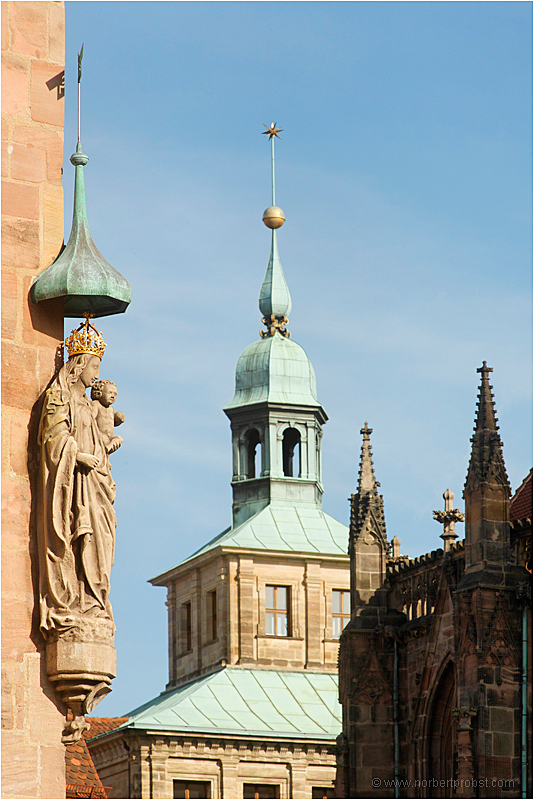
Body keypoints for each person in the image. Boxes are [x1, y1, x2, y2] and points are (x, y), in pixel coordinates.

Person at [37, 351, 117, 638]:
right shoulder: (61, 397)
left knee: (103, 538)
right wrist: (79, 456)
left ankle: (96, 602)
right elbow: (54, 438)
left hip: (98, 484)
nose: (96, 374)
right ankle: (79, 600)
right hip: (77, 483)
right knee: (82, 535)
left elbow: (100, 439)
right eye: (94, 367)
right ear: (79, 365)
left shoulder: (90, 404)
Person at [91, 379, 125, 455]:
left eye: (115, 394)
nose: (113, 396)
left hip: (109, 436)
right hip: (99, 433)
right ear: (100, 393)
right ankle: (106, 448)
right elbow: (91, 419)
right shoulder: (96, 404)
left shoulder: (111, 409)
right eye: (110, 393)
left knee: (119, 439)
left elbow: (112, 423)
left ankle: (108, 448)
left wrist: (119, 420)